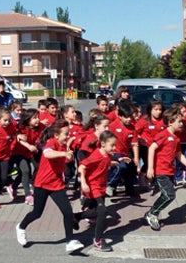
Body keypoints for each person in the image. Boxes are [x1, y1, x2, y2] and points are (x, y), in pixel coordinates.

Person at [15, 120, 84, 253]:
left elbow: (65, 160)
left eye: (68, 133)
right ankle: (21, 227)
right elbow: (48, 154)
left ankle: (70, 241)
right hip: (42, 184)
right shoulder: (51, 142)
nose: (68, 136)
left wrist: (68, 156)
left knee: (68, 212)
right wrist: (64, 154)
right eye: (66, 134)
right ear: (56, 135)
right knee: (37, 213)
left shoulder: (63, 145)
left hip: (56, 184)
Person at [144, 108, 186, 230]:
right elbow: (152, 148)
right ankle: (152, 213)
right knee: (169, 195)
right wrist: (150, 168)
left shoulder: (176, 138)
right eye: (179, 121)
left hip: (169, 171)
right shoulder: (163, 135)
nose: (181, 124)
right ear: (170, 122)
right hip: (160, 171)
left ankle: (153, 213)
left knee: (167, 195)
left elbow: (179, 155)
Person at [74, 131, 118, 252]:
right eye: (112, 145)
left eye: (115, 145)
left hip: (101, 186)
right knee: (102, 212)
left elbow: (104, 162)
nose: (114, 148)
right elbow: (81, 167)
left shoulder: (107, 155)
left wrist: (114, 162)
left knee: (95, 212)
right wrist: (83, 183)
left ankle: (76, 216)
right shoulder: (95, 155)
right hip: (93, 186)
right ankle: (98, 241)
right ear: (103, 144)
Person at [107, 100, 140, 197]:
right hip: (115, 152)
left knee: (131, 168)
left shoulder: (132, 128)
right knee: (121, 167)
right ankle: (110, 185)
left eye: (130, 117)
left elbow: (134, 144)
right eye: (126, 117)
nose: (128, 119)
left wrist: (136, 158)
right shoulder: (112, 126)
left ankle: (129, 190)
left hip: (126, 152)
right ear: (120, 116)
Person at [10, 108, 42, 205]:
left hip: (29, 153)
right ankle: (28, 196)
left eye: (38, 117)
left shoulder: (41, 127)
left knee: (22, 174)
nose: (38, 120)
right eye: (34, 118)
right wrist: (29, 146)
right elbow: (19, 138)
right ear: (27, 119)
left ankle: (13, 187)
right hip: (17, 153)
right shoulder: (21, 127)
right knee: (26, 171)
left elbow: (43, 138)